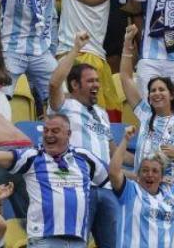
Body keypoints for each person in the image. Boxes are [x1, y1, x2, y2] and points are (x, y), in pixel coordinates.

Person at [0, 112, 109, 247]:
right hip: (25, 146)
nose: (49, 134)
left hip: (11, 153)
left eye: (55, 131)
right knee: (23, 210)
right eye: (46, 131)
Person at [48, 31, 117, 248]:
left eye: (97, 80)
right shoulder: (65, 106)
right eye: (91, 81)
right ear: (75, 85)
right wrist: (76, 49)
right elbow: (53, 84)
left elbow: (113, 150)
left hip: (106, 188)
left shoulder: (102, 113)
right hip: (79, 186)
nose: (97, 84)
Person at [119, 23, 174, 184]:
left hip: (169, 191)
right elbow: (125, 77)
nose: (156, 93)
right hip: (140, 188)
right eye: (153, 91)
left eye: (161, 90)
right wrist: (127, 43)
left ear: (171, 95)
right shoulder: (145, 114)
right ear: (148, 98)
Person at [108, 125, 174, 248]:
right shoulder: (130, 190)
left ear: (162, 177)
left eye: (155, 171)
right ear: (138, 175)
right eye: (145, 170)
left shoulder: (173, 192)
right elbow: (114, 172)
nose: (149, 175)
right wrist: (125, 140)